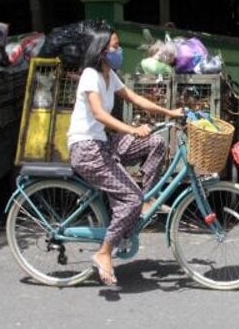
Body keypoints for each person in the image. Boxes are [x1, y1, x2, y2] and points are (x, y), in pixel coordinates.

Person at [67, 29, 182, 286]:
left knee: (154, 143)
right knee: (131, 198)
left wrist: (169, 113)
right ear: (101, 51)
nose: (119, 51)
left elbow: (136, 98)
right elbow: (99, 114)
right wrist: (132, 129)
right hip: (86, 148)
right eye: (115, 47)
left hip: (105, 143)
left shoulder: (110, 75)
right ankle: (104, 252)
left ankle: (146, 197)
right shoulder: (90, 76)